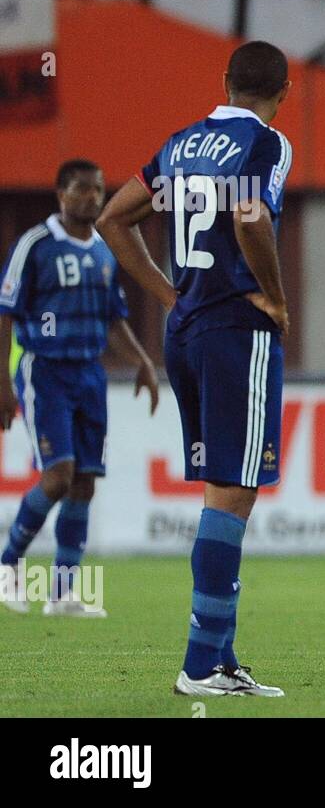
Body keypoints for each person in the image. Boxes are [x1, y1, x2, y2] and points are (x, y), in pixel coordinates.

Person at [96, 41, 293, 697]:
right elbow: (249, 214)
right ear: (282, 92)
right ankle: (201, 664)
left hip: (186, 329)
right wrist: (273, 293)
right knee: (235, 491)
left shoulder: (181, 143)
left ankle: (219, 655)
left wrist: (167, 298)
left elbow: (113, 217)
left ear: (225, 81)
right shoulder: (267, 142)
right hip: (236, 326)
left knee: (221, 488)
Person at [0, 159, 159, 616]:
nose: (92, 197)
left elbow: (113, 320)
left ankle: (64, 593)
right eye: (82, 189)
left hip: (90, 373)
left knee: (85, 482)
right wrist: (3, 384)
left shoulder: (105, 252)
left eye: (98, 190)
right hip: (45, 370)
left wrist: (143, 361)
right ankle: (8, 564)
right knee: (58, 476)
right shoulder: (35, 245)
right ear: (60, 194)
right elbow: (6, 311)